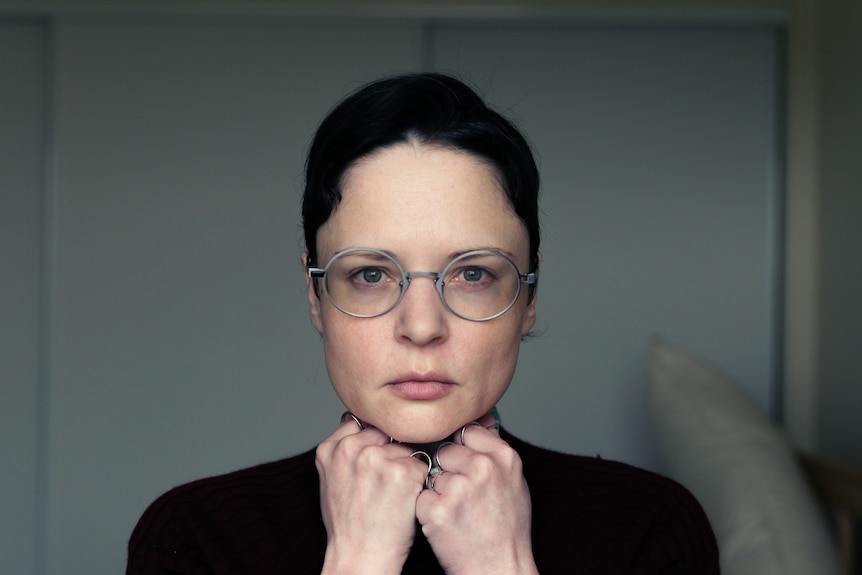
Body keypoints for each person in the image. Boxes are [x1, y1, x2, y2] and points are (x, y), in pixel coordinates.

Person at [127, 72, 719, 574]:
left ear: (529, 296)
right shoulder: (194, 538)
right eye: (370, 275)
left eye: (473, 274)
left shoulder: (651, 529)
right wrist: (357, 561)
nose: (421, 326)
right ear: (314, 294)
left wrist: (501, 565)